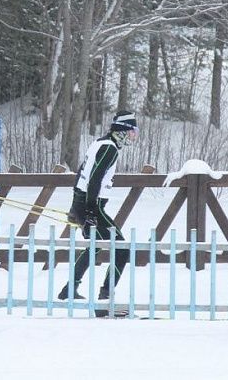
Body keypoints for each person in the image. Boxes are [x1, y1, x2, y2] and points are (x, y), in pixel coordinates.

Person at [58, 111, 139, 311]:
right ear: (122, 130)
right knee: (122, 248)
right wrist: (92, 211)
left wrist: (76, 207)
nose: (133, 137)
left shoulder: (99, 143)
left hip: (83, 203)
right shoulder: (109, 149)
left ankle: (69, 289)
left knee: (95, 245)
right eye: (131, 132)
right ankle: (106, 294)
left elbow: (80, 174)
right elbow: (94, 179)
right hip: (91, 205)